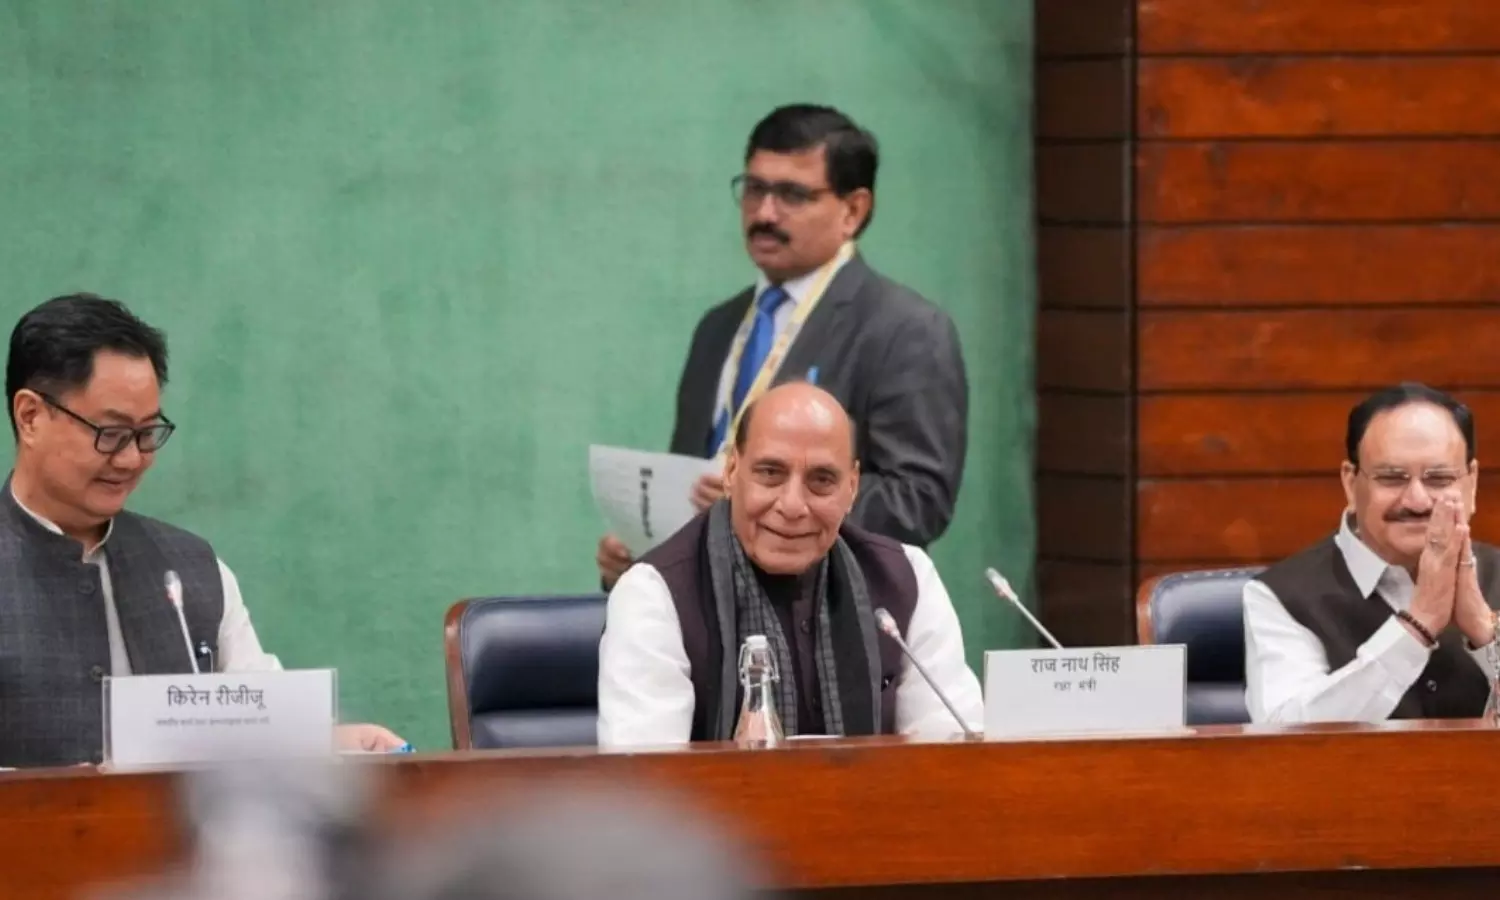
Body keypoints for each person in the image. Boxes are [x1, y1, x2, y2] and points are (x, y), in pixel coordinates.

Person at [0, 293, 405, 767]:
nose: (131, 459)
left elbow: (263, 721)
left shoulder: (189, 568)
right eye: (110, 434)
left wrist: (341, 742)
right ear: (30, 417)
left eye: (147, 433)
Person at [596, 103, 969, 588]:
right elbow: (694, 482)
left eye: (792, 194)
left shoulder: (905, 330)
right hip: (707, 610)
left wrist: (760, 502)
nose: (764, 213)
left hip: (829, 612)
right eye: (755, 189)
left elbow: (917, 501)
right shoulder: (718, 327)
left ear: (853, 210)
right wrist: (644, 558)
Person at [597, 382, 982, 746]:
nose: (793, 505)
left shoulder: (906, 580)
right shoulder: (655, 594)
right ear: (731, 472)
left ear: (851, 488)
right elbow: (646, 781)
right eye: (770, 473)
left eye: (821, 480)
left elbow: (953, 756)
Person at [1244, 383, 1498, 724]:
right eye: (1392, 478)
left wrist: (1485, 632)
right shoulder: (1279, 597)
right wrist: (1417, 627)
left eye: (1439, 479)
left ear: (1471, 484)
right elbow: (1284, 735)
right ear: (1351, 484)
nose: (1417, 501)